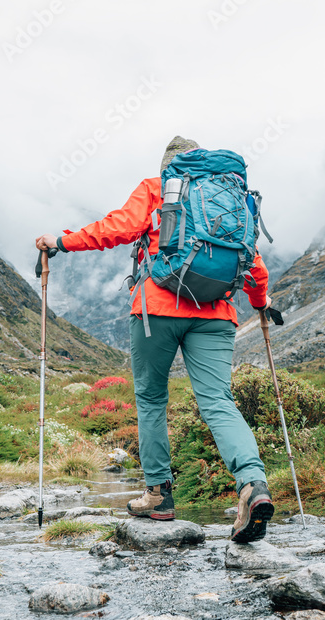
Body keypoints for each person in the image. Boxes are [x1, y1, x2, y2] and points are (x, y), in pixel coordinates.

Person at [36, 136, 275, 543]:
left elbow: (118, 228)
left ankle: (159, 496)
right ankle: (252, 484)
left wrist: (60, 242)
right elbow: (252, 263)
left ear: (170, 165)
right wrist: (261, 303)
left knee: (151, 398)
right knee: (218, 401)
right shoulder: (230, 198)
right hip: (216, 313)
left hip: (156, 309)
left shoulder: (157, 188)